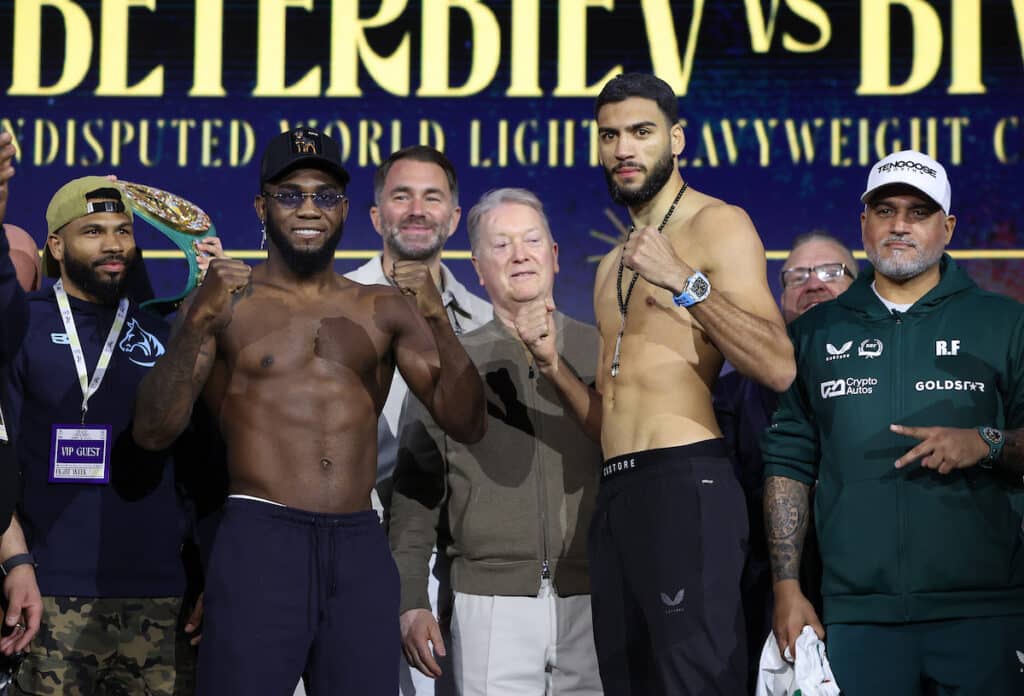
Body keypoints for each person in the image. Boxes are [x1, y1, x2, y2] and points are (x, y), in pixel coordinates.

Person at [132, 127, 486, 696]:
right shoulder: (226, 304)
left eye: (324, 195)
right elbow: (152, 432)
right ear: (261, 206)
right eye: (290, 193)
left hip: (358, 544)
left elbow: (468, 423)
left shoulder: (382, 307)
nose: (308, 208)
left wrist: (438, 318)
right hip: (259, 538)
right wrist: (196, 319)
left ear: (344, 209)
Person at [534, 72, 794, 694]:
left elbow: (778, 363)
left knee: (693, 683)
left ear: (677, 139)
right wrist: (551, 366)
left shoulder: (718, 225)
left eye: (641, 132)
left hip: (687, 485)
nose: (624, 149)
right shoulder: (607, 267)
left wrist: (685, 279)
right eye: (609, 136)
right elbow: (610, 422)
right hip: (619, 494)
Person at [762, 149, 1024, 695]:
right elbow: (788, 461)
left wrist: (988, 442)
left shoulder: (1003, 323)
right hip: (858, 616)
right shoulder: (815, 333)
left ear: (947, 228)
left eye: (918, 212)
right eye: (884, 210)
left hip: (984, 611)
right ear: (864, 223)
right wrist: (787, 588)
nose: (900, 224)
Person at [390, 188, 603, 695]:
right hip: (488, 606)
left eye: (532, 240)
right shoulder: (447, 363)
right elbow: (414, 501)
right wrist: (411, 598)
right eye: (501, 244)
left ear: (553, 256)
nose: (520, 254)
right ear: (478, 268)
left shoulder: (601, 350)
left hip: (595, 597)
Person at [0, 175, 196, 693]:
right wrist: (15, 563)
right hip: (48, 592)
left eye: (123, 230)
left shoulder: (164, 333)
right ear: (57, 246)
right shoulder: (24, 327)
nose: (114, 244)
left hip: (159, 598)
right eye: (93, 231)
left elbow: (201, 467)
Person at [346, 144, 491, 696]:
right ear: (376, 215)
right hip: (350, 544)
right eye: (400, 196)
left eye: (432, 197)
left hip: (450, 562)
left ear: (454, 218)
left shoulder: (486, 323)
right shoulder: (336, 307)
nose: (416, 209)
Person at [713, 231, 857, 689]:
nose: (813, 284)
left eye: (832, 273)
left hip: (868, 606)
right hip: (764, 611)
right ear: (779, 297)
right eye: (797, 276)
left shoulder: (893, 382)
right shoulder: (732, 398)